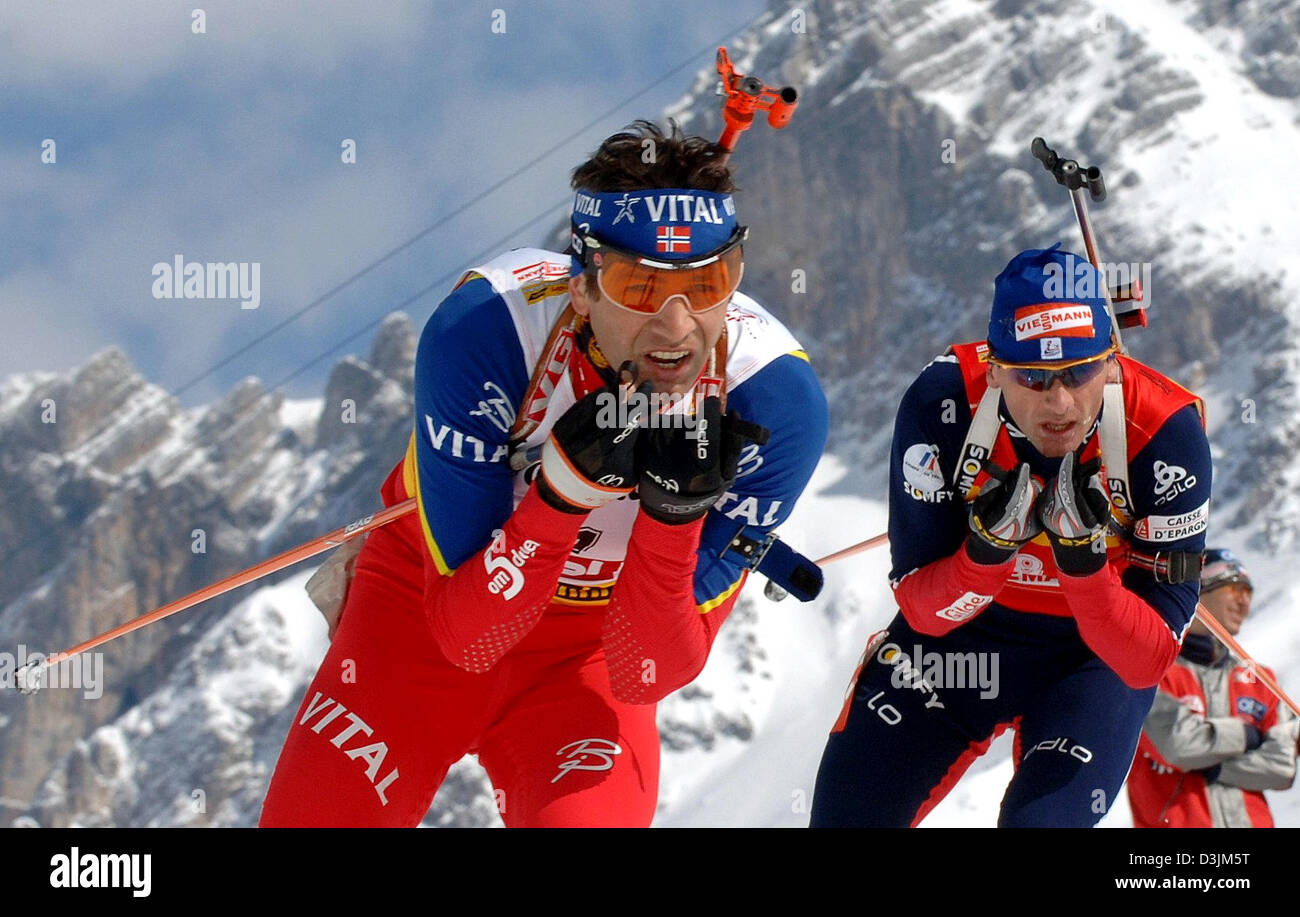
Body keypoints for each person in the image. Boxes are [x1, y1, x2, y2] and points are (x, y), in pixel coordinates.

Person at [259, 121, 828, 827]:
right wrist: (559, 497)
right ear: (582, 286)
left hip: (585, 660)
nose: (679, 328)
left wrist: (675, 520)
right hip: (418, 616)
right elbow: (465, 635)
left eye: (709, 284)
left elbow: (644, 670)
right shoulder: (486, 330)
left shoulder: (777, 402)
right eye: (639, 286)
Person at [811, 244, 1212, 827]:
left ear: (1111, 360)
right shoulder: (944, 402)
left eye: (1079, 372)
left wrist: (1084, 569)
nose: (1059, 403)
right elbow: (926, 614)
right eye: (1033, 376)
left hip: (1093, 661)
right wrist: (984, 556)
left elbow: (1145, 661)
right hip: (958, 643)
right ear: (993, 367)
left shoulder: (1165, 431)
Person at [1127, 548, 1297, 827]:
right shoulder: (1150, 673)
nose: (1244, 602)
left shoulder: (1262, 680)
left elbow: (1282, 767)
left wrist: (1211, 767)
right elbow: (1178, 745)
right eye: (1234, 588)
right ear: (1199, 590)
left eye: (1249, 593)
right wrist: (1247, 734)